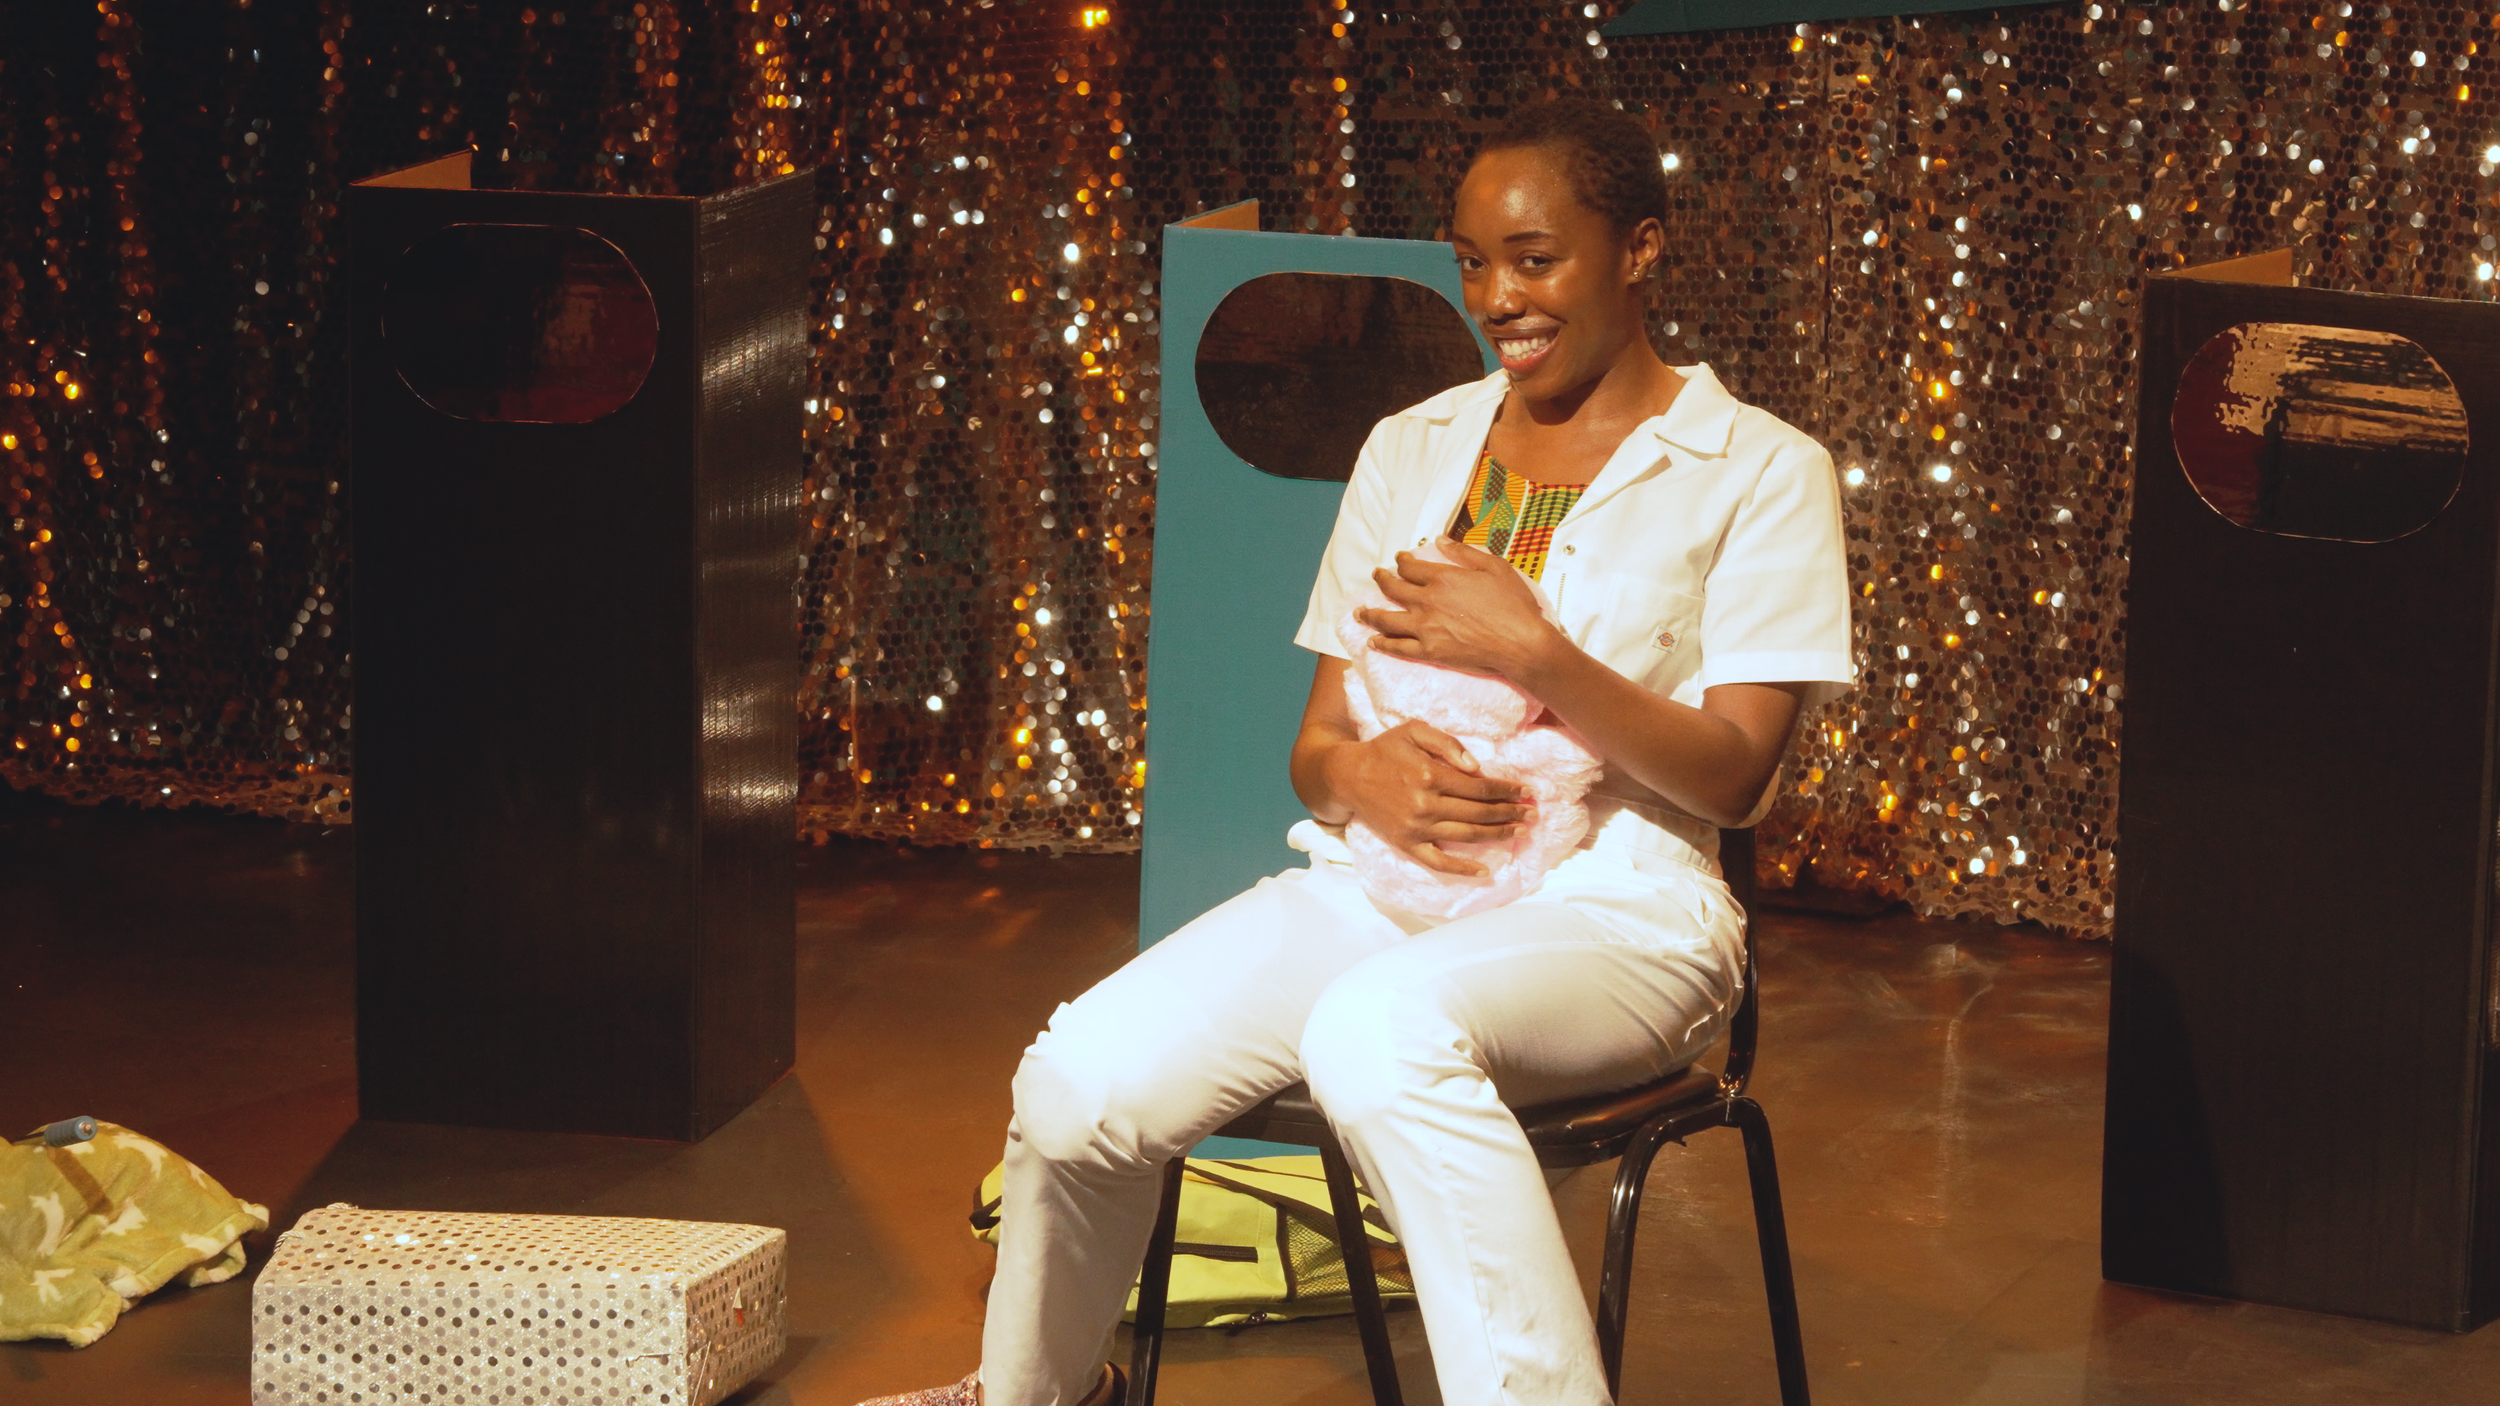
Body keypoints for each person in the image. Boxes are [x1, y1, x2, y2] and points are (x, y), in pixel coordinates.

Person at [861, 97, 1853, 1406]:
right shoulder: (1417, 447)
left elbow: (1737, 773)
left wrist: (1536, 653)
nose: (1500, 294)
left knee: (1379, 1031)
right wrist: (1357, 775)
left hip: (1623, 914)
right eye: (1472, 260)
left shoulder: (1759, 470)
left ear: (1640, 249)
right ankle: (1035, 1394)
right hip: (1386, 884)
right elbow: (1320, 744)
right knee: (1079, 1081)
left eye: (1537, 257)